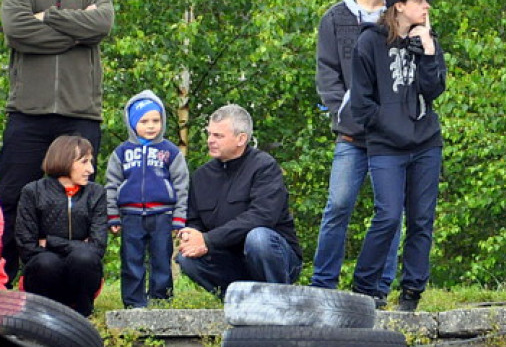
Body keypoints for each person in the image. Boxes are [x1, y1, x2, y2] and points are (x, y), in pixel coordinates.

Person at [0, 0, 114, 284]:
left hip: (80, 114)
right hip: (28, 114)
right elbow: (17, 30)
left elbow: (101, 25)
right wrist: (76, 31)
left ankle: (76, 289)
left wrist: (47, 17)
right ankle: (6, 282)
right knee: (12, 199)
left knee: (80, 203)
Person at [311, 0, 407, 293]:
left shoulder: (401, 14)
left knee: (390, 212)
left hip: (391, 137)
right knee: (338, 205)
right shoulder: (334, 18)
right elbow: (327, 74)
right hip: (352, 135)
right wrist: (345, 114)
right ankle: (323, 285)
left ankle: (378, 288)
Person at [350, 0, 447, 312]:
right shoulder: (369, 42)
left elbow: (434, 90)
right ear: (400, 6)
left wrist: (428, 51)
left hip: (426, 144)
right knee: (388, 216)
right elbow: (361, 103)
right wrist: (390, 126)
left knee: (422, 220)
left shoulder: (427, 40)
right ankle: (365, 288)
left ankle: (411, 293)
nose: (427, 7)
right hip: (386, 146)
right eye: (420, 1)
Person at [176, 104, 302, 298]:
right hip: (229, 261)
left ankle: (278, 300)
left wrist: (209, 240)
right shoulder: (201, 176)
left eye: (218, 136)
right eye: (209, 134)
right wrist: (191, 237)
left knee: (258, 238)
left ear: (241, 139)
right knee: (187, 257)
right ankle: (238, 300)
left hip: (273, 257)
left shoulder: (264, 167)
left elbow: (262, 216)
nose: (210, 140)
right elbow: (195, 221)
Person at [105, 91, 190, 308]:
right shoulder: (121, 153)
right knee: (131, 259)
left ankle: (161, 300)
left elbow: (181, 186)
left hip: (162, 215)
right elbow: (111, 185)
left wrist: (179, 218)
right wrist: (112, 215)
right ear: (132, 123)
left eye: (156, 120)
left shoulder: (170, 152)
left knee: (161, 259)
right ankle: (134, 303)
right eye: (144, 121)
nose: (151, 126)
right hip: (130, 216)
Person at [15, 135, 107, 314]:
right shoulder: (32, 191)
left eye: (91, 162)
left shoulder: (96, 192)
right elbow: (27, 247)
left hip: (81, 277)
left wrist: (50, 241)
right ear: (64, 160)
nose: (90, 169)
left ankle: (83, 314)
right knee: (47, 262)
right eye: (84, 162)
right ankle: (42, 315)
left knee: (84, 259)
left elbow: (97, 247)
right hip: (43, 277)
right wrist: (79, 245)